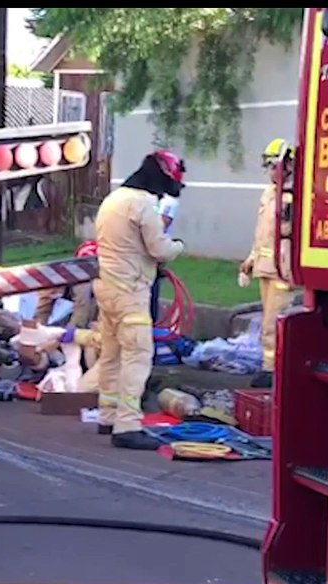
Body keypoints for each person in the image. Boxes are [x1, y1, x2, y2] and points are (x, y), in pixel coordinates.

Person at [94, 150, 187, 449]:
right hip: (130, 293)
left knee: (110, 354)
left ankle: (107, 416)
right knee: (137, 355)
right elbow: (158, 249)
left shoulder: (114, 199)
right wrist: (178, 246)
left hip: (106, 289)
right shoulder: (143, 203)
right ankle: (127, 425)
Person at [241, 138, 299, 389]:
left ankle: (272, 370)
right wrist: (251, 261)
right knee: (267, 319)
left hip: (282, 271)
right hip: (266, 267)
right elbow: (262, 234)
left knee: (273, 323)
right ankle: (270, 366)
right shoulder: (269, 194)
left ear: (287, 166)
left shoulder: (295, 197)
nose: (270, 172)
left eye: (273, 166)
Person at [150, 194, 179, 324]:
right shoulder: (170, 201)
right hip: (152, 257)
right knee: (150, 300)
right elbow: (163, 223)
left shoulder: (149, 199)